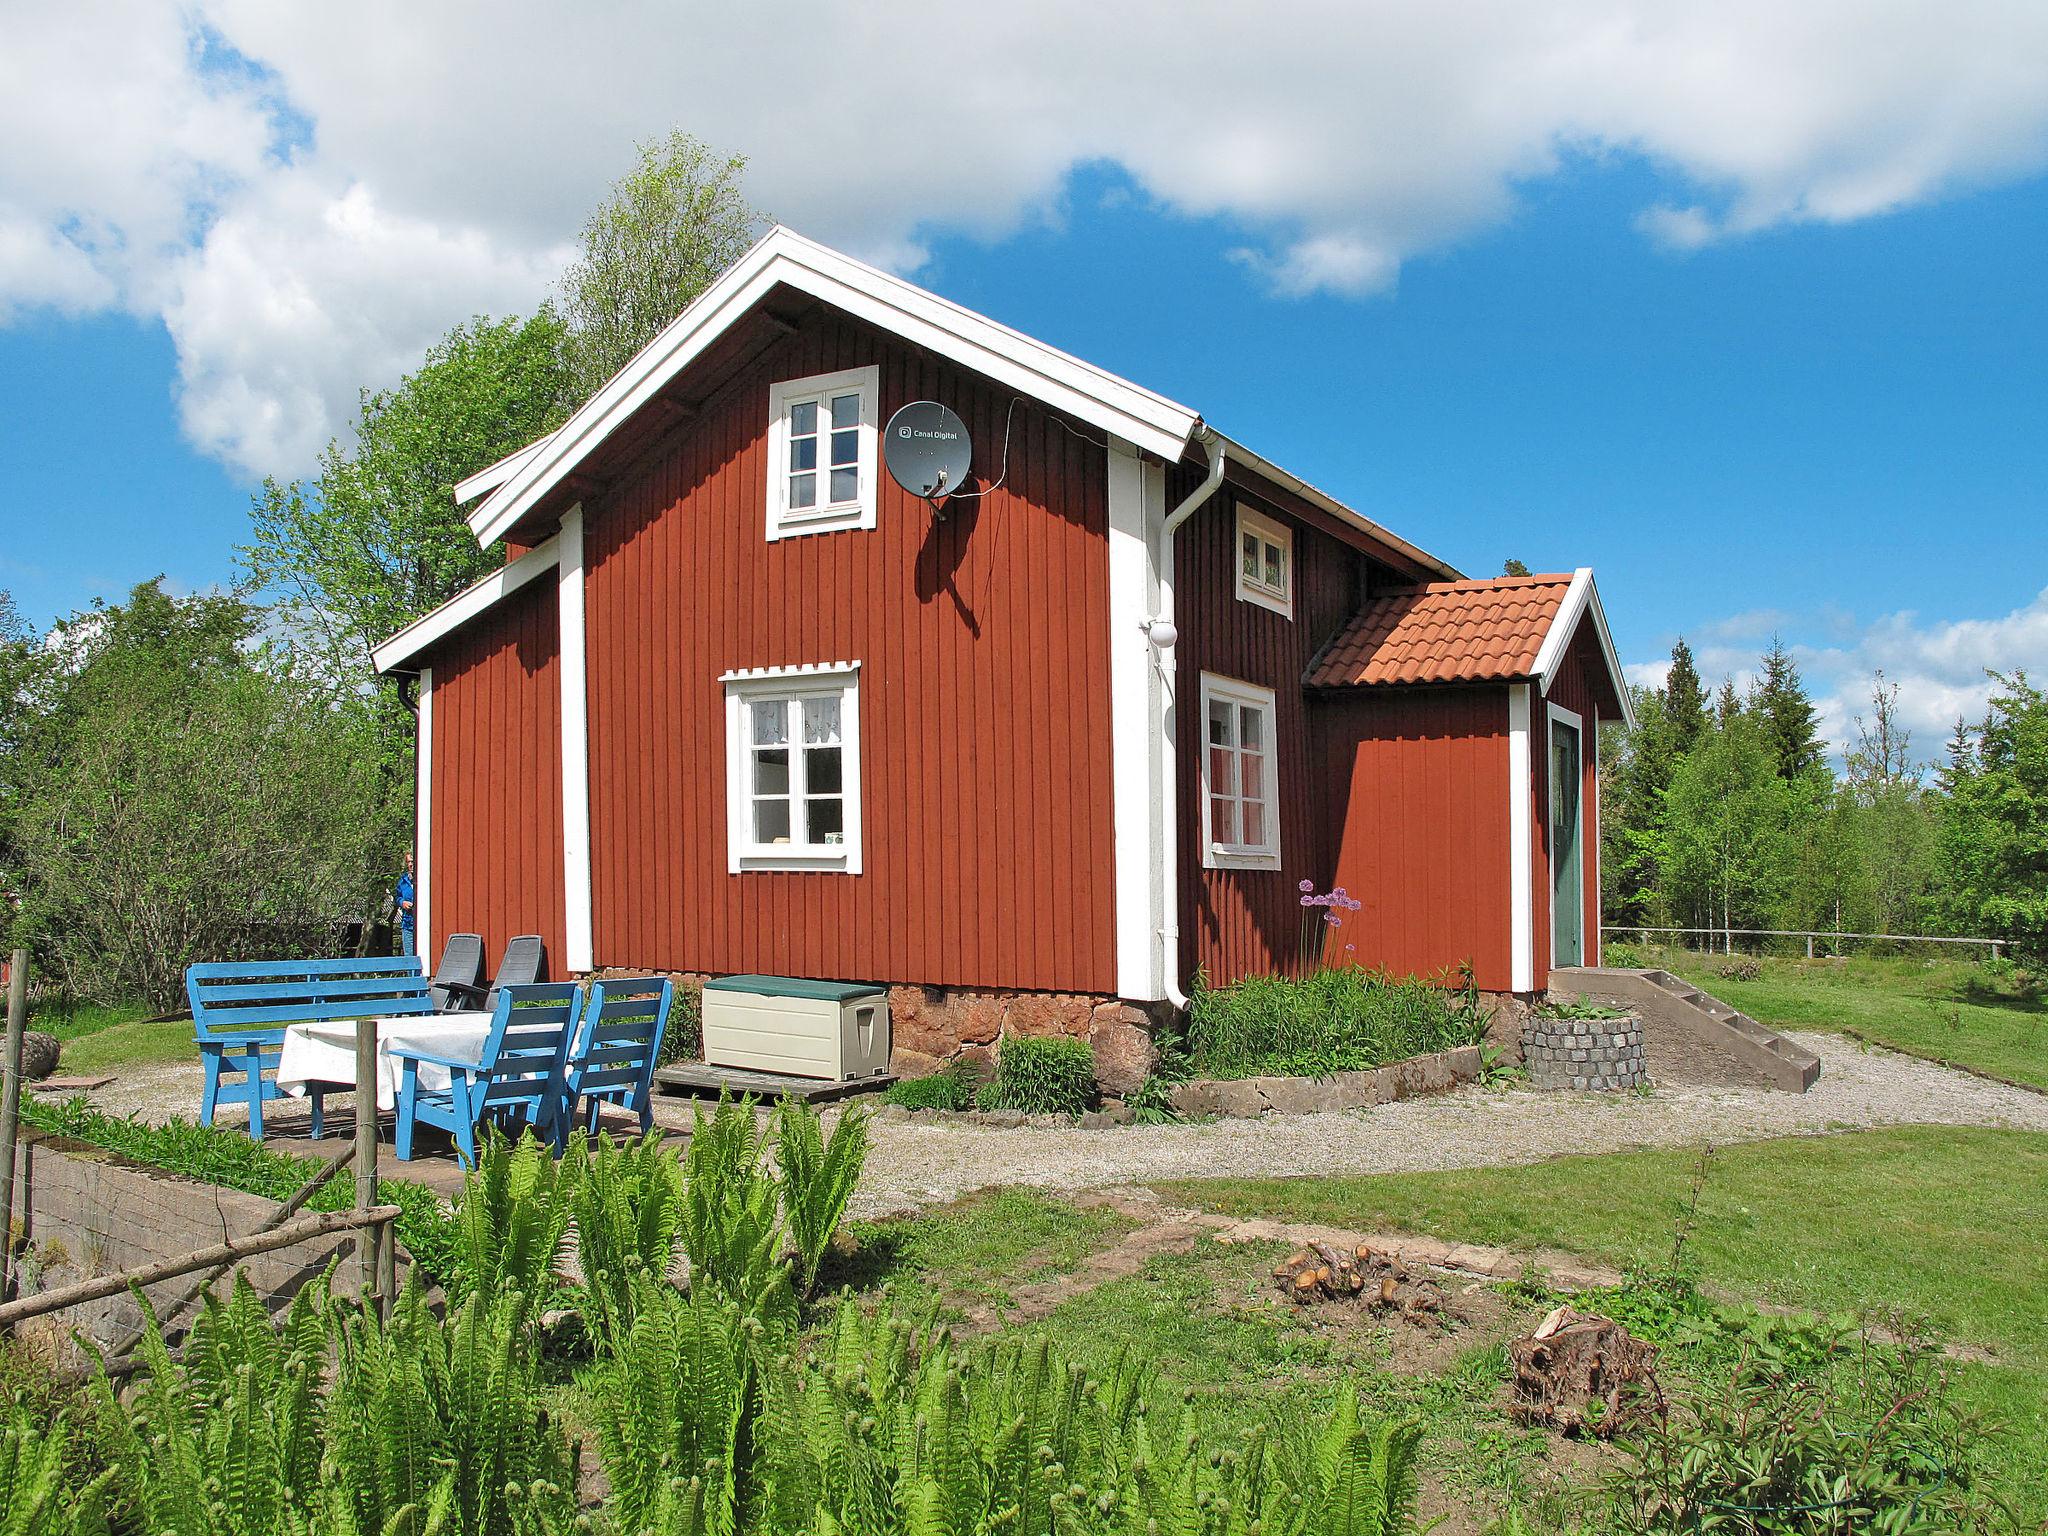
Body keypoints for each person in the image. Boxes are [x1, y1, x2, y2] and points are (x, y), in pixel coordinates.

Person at [395, 851, 417, 957]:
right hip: (407, 925)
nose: (410, 864)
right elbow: (397, 897)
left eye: (412, 861)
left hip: (424, 926)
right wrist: (402, 902)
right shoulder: (403, 880)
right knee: (409, 956)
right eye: (408, 862)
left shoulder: (426, 878)